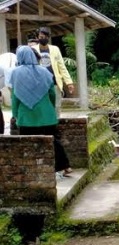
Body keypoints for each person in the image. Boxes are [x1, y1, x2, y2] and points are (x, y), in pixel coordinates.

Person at [8, 45, 71, 175]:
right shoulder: (45, 72)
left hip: (26, 118)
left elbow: (15, 97)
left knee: (27, 144)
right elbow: (52, 94)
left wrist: (15, 114)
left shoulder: (16, 72)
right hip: (47, 115)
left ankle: (31, 171)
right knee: (54, 142)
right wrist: (51, 109)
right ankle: (66, 166)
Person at [33, 27, 74, 110]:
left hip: (54, 82)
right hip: (39, 83)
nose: (44, 39)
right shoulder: (33, 49)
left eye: (46, 37)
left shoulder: (55, 49)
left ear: (48, 37)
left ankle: (56, 121)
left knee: (56, 105)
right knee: (42, 105)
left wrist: (69, 82)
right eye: (41, 37)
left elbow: (62, 66)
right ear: (37, 38)